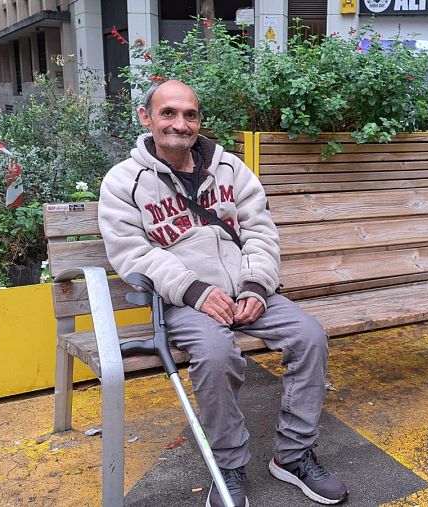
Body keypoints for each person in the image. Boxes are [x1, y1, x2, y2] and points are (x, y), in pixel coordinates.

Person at [98, 80, 349, 507]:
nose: (180, 124)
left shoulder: (230, 169)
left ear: (199, 121)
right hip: (183, 300)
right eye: (168, 113)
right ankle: (227, 464)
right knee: (216, 355)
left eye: (190, 115)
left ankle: (293, 455)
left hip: (248, 289)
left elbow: (260, 233)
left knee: (309, 337)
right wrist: (194, 290)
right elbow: (131, 252)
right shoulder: (124, 182)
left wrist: (255, 285)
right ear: (147, 118)